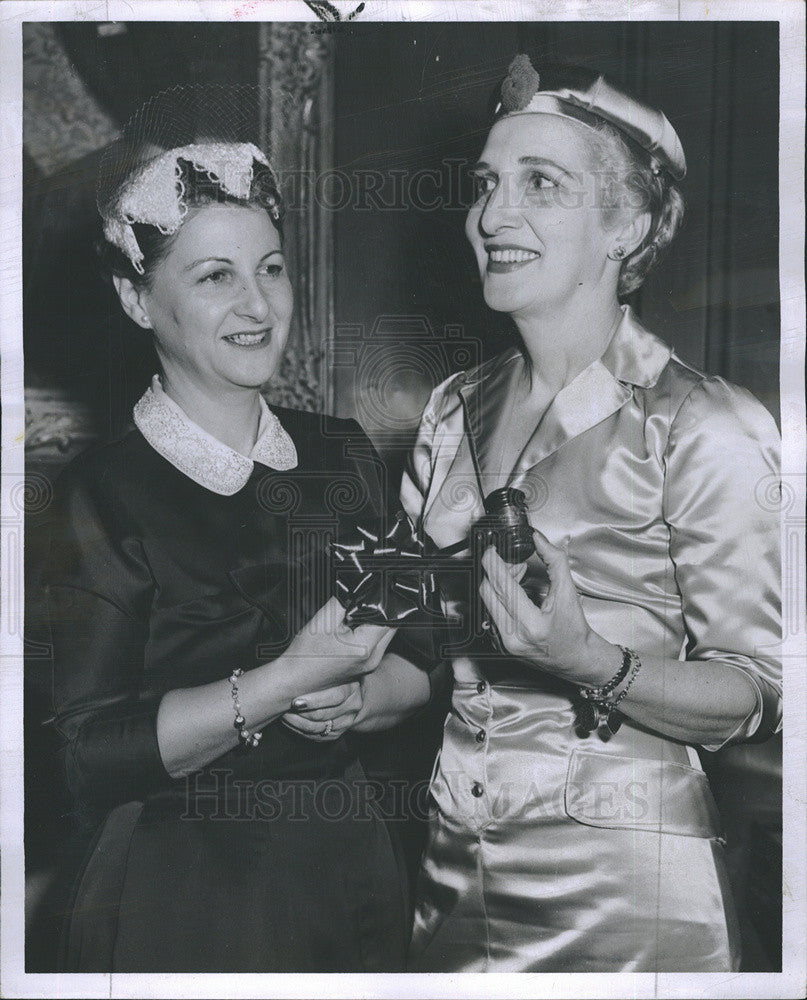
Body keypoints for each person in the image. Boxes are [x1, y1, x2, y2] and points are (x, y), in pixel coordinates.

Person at [291, 55, 783, 972]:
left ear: (624, 225)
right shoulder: (449, 408)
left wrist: (589, 661)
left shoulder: (702, 422)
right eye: (485, 185)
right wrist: (367, 693)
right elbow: (439, 657)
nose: (491, 215)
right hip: (453, 876)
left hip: (626, 898)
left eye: (540, 185)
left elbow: (760, 688)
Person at [45, 101, 429, 972]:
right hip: (185, 890)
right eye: (214, 276)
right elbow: (85, 759)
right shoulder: (98, 495)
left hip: (354, 870)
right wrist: (289, 679)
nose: (257, 304)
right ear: (136, 298)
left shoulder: (339, 452)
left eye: (271, 268)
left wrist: (359, 702)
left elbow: (423, 658)